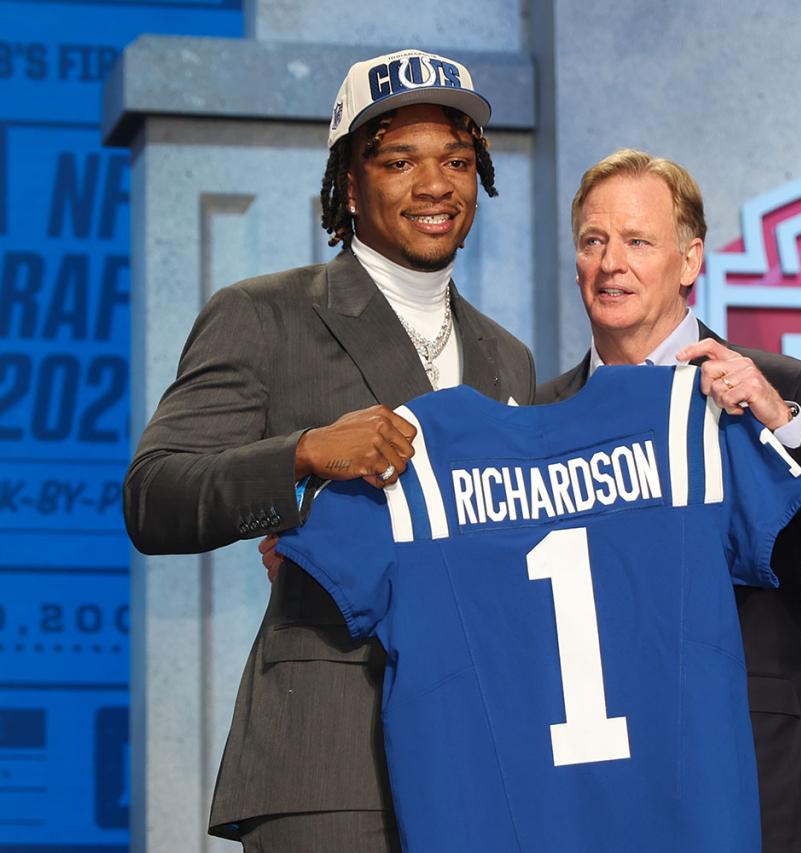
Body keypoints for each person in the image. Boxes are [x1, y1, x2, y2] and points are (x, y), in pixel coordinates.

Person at [123, 49, 534, 852]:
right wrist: (307, 453)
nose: (435, 184)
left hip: (480, 753)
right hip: (331, 754)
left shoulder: (507, 355)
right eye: (399, 161)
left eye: (456, 159)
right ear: (350, 183)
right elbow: (155, 495)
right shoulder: (263, 313)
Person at [537, 148, 801, 853]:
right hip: (596, 794)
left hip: (757, 785)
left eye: (638, 241)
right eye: (593, 240)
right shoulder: (537, 417)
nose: (611, 262)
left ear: (689, 259)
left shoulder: (782, 390)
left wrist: (783, 423)